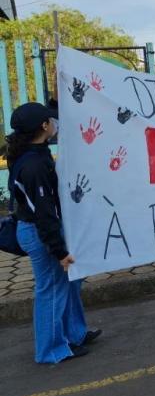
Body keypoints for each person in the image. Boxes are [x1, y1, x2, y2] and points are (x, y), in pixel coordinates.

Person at [9, 102, 101, 363]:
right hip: (40, 233)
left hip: (44, 229)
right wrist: (59, 250)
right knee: (51, 289)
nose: (55, 123)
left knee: (70, 281)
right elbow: (44, 213)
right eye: (51, 120)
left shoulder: (34, 152)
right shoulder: (34, 165)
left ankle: (75, 334)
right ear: (44, 126)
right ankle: (51, 350)